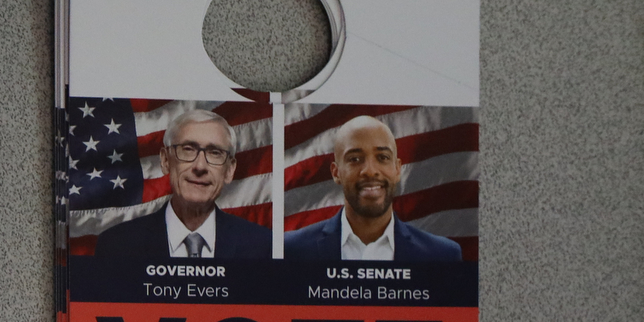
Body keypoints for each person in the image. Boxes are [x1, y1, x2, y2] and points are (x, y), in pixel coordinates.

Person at [92, 110, 272, 261]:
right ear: (165, 160)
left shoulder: (262, 246)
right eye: (188, 149)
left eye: (215, 153)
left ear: (229, 170)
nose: (200, 166)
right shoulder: (118, 246)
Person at [281, 116, 462, 262]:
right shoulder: (291, 251)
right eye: (355, 159)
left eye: (382, 157)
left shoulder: (443, 256)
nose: (370, 171)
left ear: (397, 169)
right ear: (336, 173)